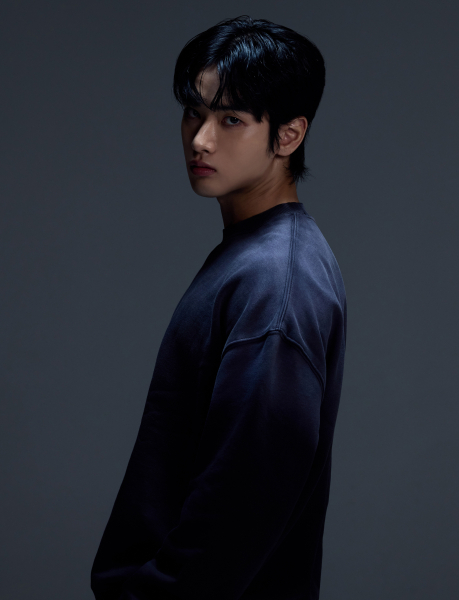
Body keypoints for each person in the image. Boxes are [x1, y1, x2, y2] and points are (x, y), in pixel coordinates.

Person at [91, 15, 347, 600]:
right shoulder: (253, 256)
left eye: (231, 119)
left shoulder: (276, 280)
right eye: (193, 112)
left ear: (288, 135)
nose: (200, 139)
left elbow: (246, 496)